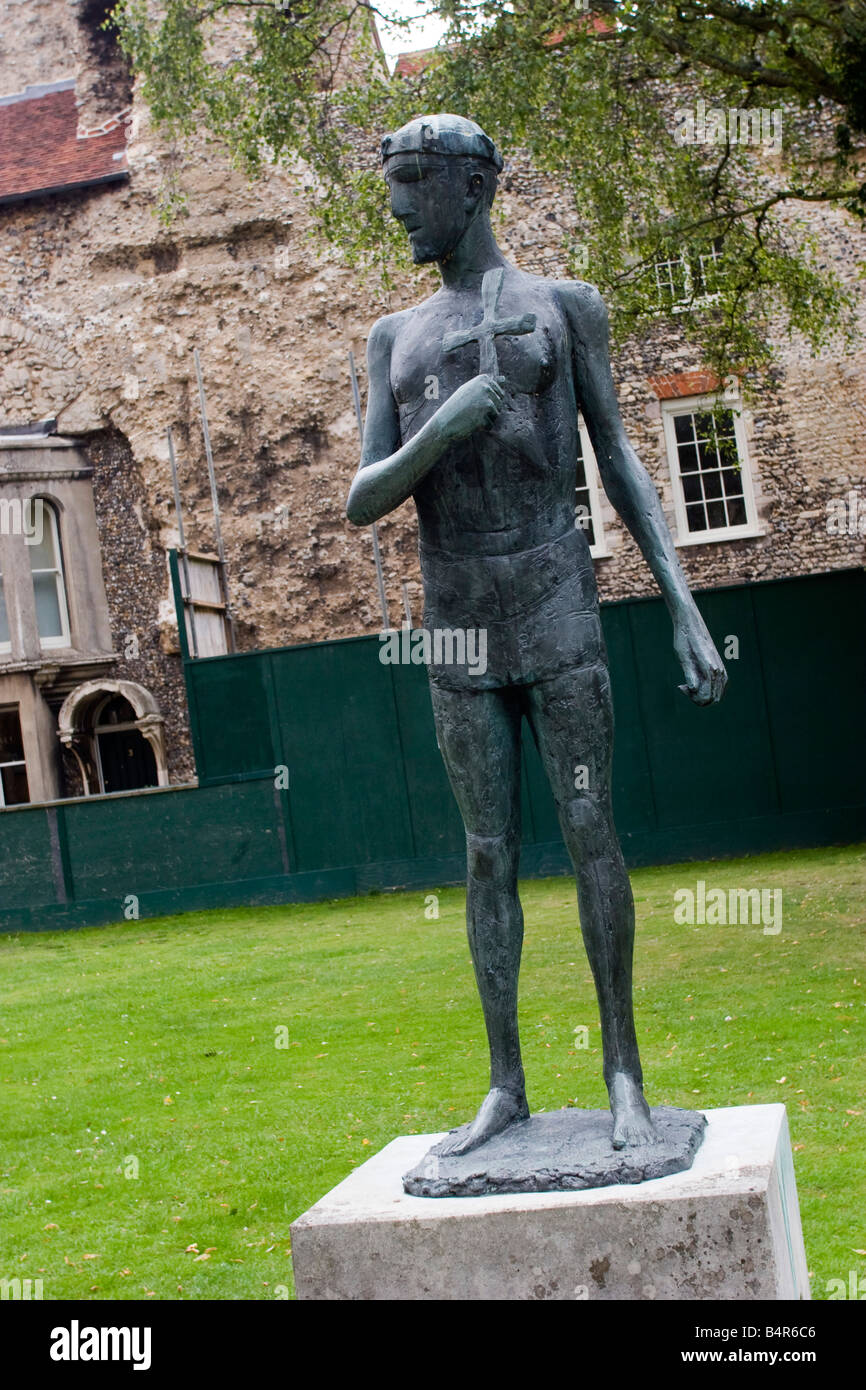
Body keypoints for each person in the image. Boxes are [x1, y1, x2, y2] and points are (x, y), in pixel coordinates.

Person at [346, 114, 727, 1155]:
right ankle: (504, 1085)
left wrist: (681, 603)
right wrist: (441, 427)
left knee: (591, 833)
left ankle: (622, 1076)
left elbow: (619, 457)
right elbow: (360, 498)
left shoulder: (564, 309)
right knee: (484, 854)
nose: (396, 205)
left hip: (555, 603)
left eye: (412, 182)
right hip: (458, 622)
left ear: (470, 187)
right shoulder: (394, 338)